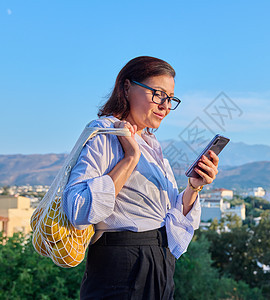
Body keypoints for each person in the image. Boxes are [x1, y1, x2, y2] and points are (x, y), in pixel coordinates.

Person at [62, 56, 220, 299]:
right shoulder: (106, 133)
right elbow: (77, 208)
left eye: (170, 99)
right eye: (158, 94)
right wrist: (129, 159)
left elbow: (165, 221)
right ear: (126, 87)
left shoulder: (151, 144)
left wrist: (193, 188)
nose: (165, 106)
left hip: (158, 266)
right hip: (122, 269)